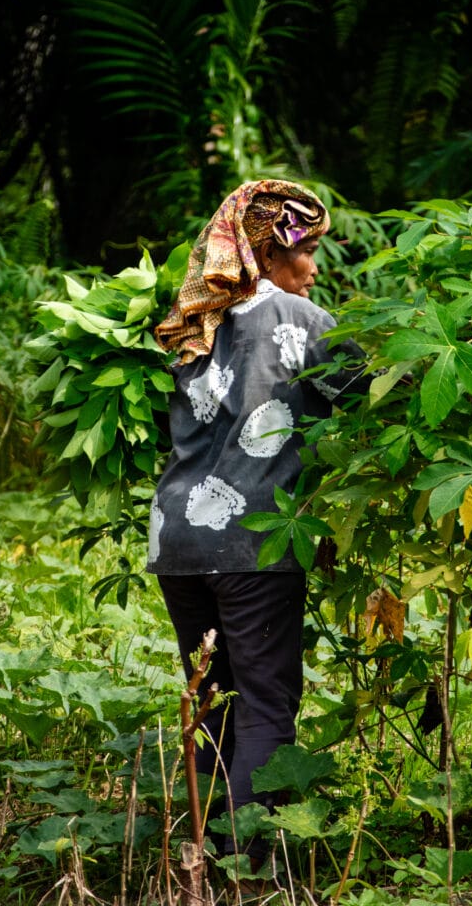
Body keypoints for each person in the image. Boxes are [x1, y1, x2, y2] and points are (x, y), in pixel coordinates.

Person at [147, 179, 370, 863]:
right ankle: (248, 868)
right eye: (309, 258)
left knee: (214, 701)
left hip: (177, 542)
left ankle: (205, 858)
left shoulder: (188, 318)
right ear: (274, 253)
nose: (315, 272)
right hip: (255, 543)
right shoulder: (309, 324)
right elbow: (368, 409)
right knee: (266, 706)